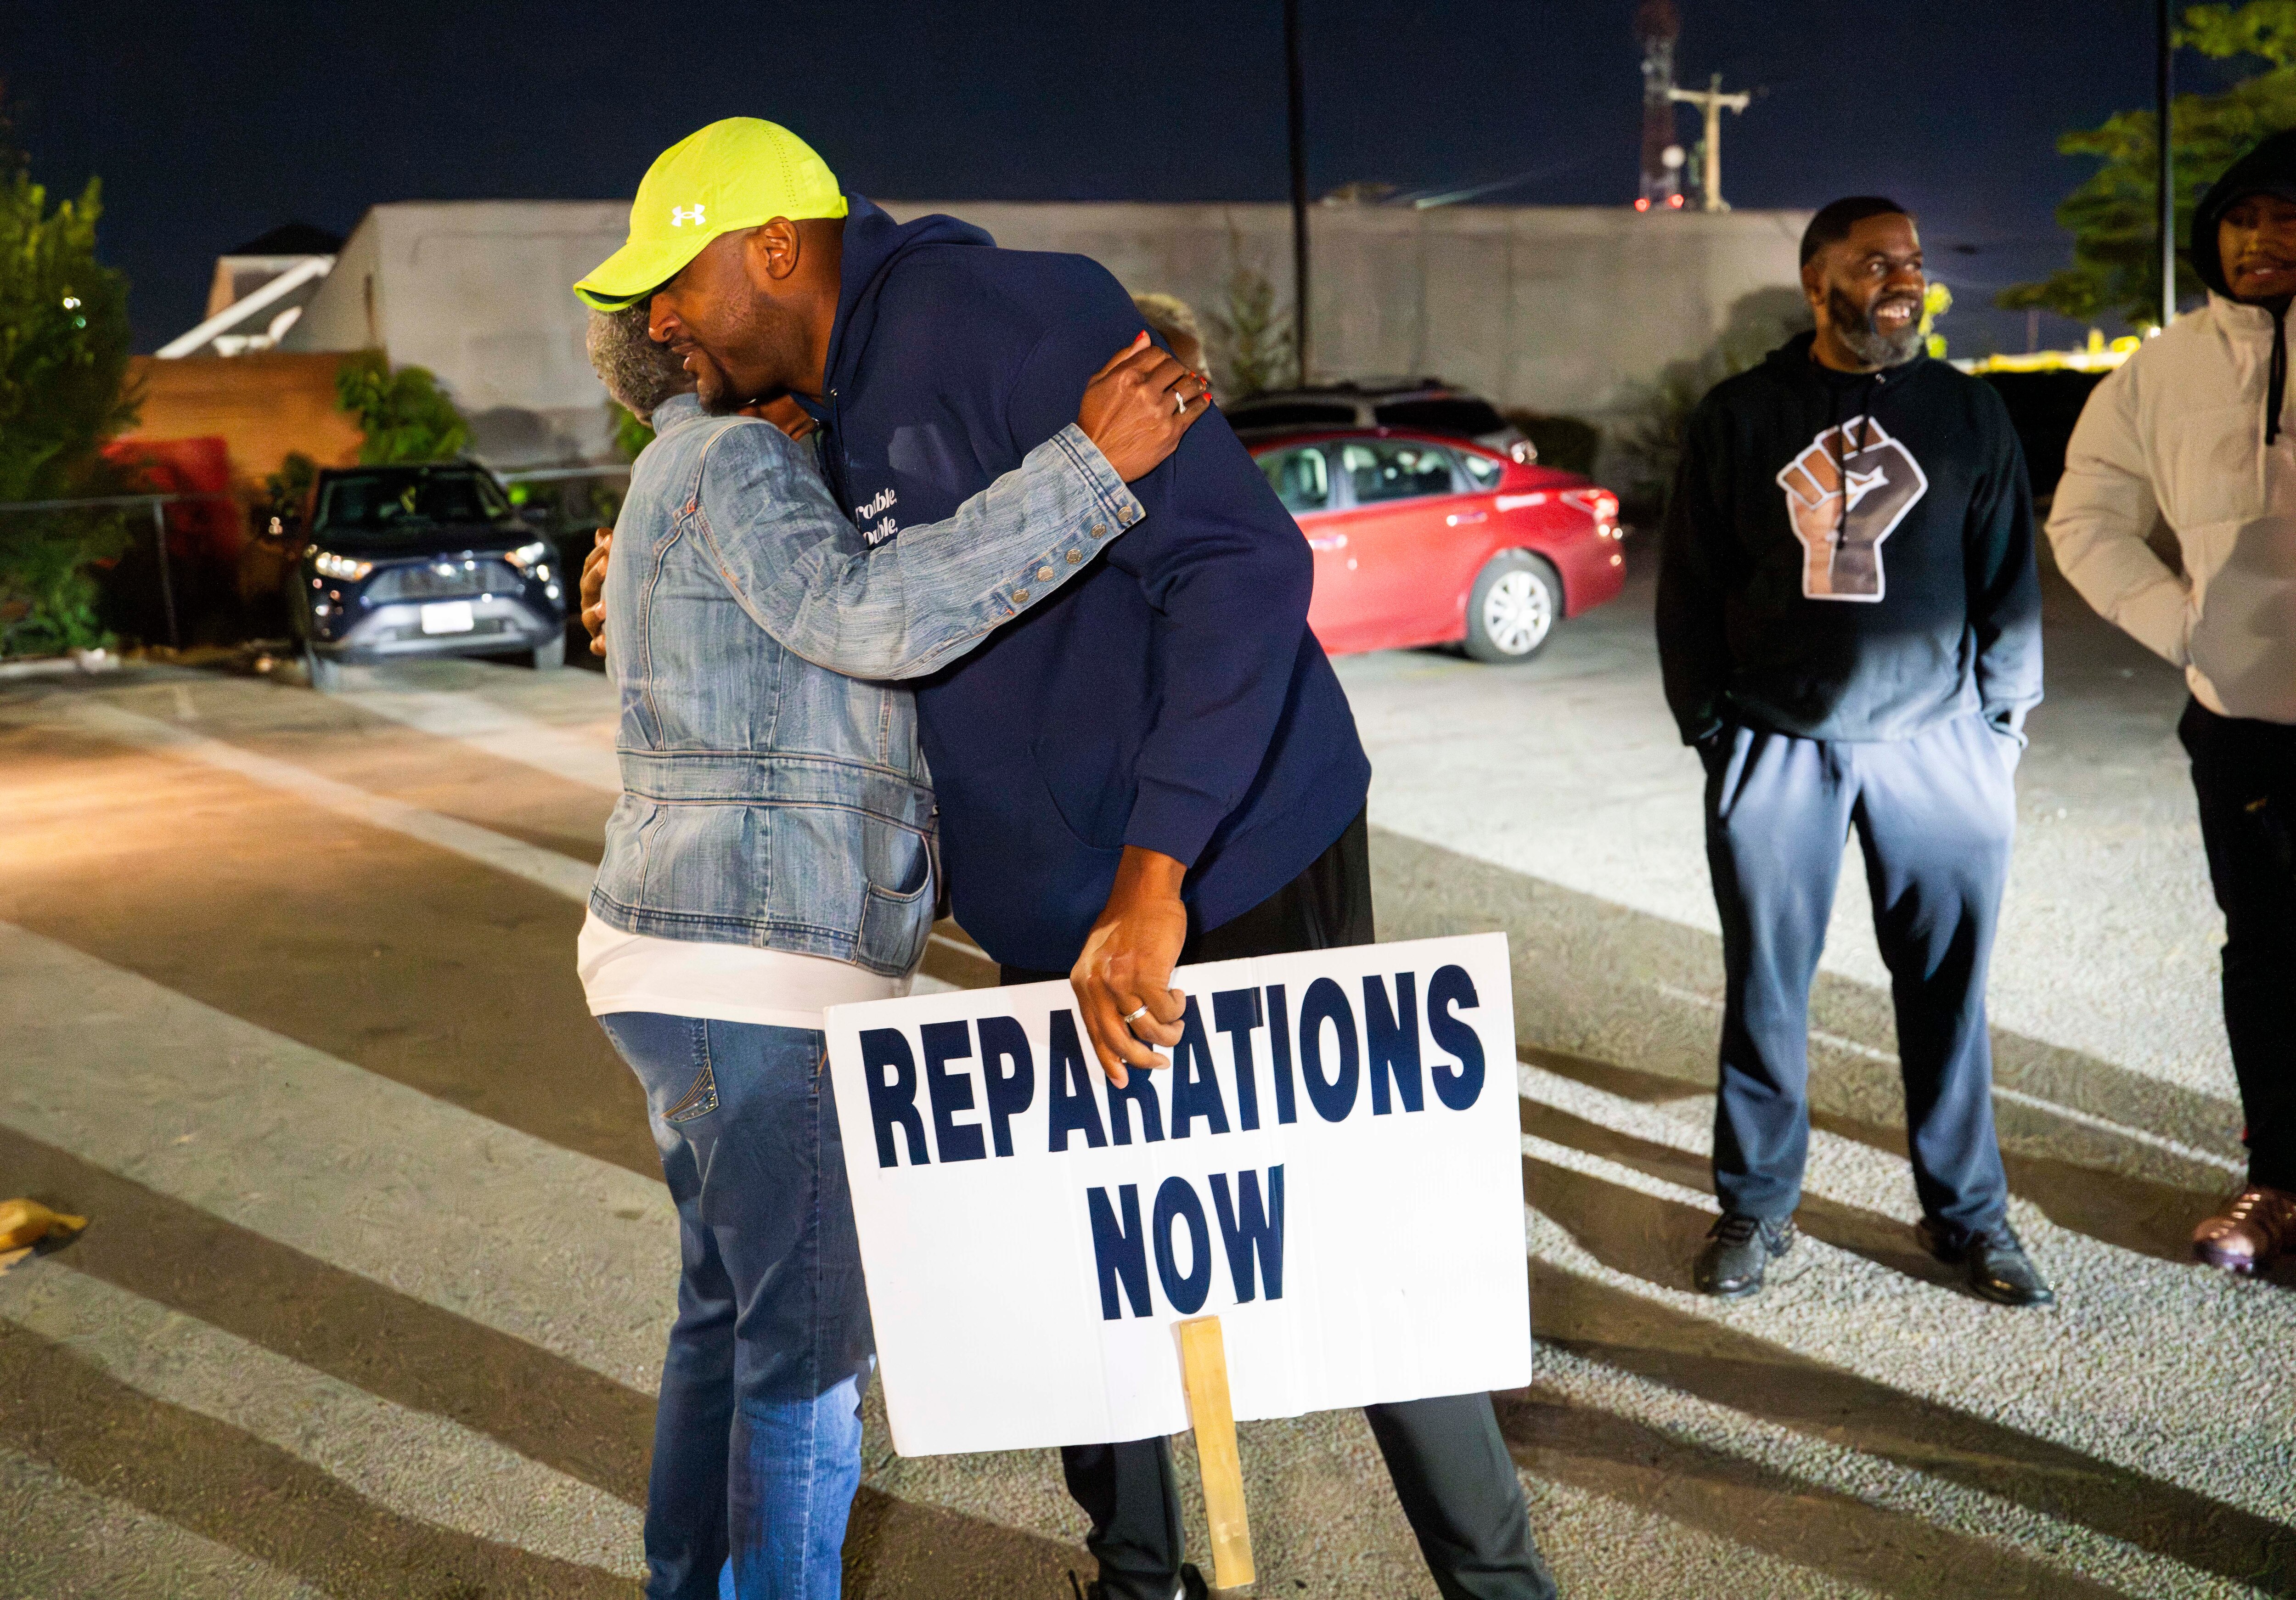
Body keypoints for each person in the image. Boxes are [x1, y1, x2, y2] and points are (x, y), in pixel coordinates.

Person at [577, 117, 1559, 1600]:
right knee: (1098, 1269)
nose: (661, 318)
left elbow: (1245, 565)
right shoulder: (798, 427)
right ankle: (1137, 1574)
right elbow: (845, 607)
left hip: (1217, 857)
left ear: (773, 246)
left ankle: (1498, 1585)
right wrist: (646, 554)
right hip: (1047, 907)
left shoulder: (1008, 313)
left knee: (1341, 1242)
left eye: (676, 282)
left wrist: (1153, 880)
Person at [579, 288, 1206, 1600]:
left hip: (689, 963)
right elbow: (873, 617)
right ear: (702, 346)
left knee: (727, 1318)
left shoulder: (685, 474)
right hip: (762, 972)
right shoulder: (736, 459)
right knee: (808, 1357)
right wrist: (1090, 469)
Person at [1655, 195, 2053, 1308]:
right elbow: (1687, 583)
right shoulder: (1741, 413)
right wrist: (1710, 725)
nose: (1903, 277)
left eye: (1914, 261)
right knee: (1769, 989)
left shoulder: (1970, 415)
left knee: (1947, 990)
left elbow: (2008, 579)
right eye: (1876, 260)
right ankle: (1757, 1203)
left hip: (1938, 746)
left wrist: (1999, 725)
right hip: (1777, 746)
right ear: (1815, 278)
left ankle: (1968, 1215)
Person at [2049, 129, 2296, 1274]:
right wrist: (2184, 626)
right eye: (2244, 218)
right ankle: (2278, 1179)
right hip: (2239, 723)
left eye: (2287, 216)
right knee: (2264, 953)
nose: (2263, 239)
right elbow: (2087, 512)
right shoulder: (2163, 367)